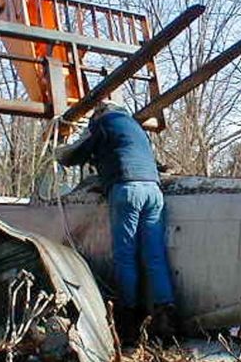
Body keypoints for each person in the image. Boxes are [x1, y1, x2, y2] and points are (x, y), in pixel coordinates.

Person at [56, 101, 177, 343]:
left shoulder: (103, 124)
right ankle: (165, 317)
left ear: (98, 113)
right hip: (153, 191)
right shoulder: (135, 127)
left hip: (127, 189)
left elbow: (74, 155)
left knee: (125, 256)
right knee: (154, 254)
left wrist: (57, 150)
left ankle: (127, 323)